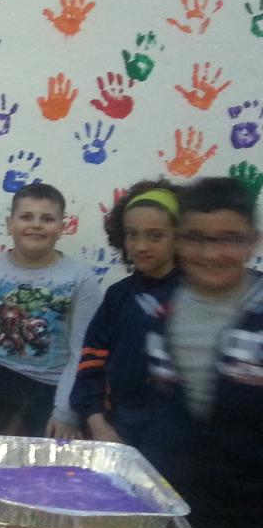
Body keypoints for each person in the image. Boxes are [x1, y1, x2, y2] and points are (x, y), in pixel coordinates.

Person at [142, 176, 263, 528]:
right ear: (178, 241)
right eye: (196, 239)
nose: (210, 254)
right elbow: (162, 410)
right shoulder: (160, 311)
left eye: (227, 239)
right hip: (181, 500)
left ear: (252, 241)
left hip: (255, 508)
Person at [0, 183, 101, 439]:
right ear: (10, 224)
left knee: (49, 468)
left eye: (47, 219)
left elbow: (81, 352)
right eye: (26, 217)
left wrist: (65, 412)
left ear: (61, 227)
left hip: (54, 386)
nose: (36, 225)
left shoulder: (81, 279)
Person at [70, 180, 181, 448]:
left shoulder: (199, 294)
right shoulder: (118, 296)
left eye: (155, 235)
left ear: (180, 236)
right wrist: (100, 427)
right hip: (118, 433)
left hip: (180, 442)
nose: (141, 246)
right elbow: (89, 369)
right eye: (132, 234)